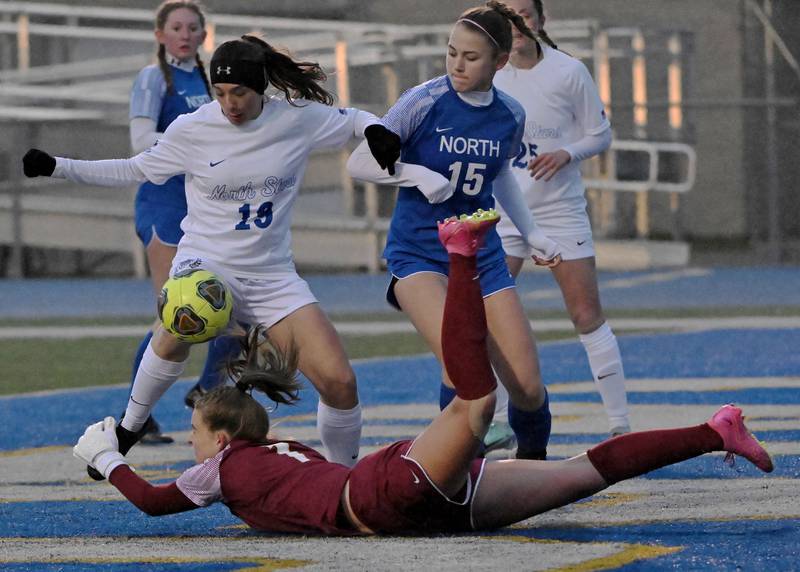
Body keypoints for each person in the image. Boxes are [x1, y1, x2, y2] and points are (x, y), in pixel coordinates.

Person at [72, 211, 774, 536]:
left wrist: (108, 457)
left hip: (388, 493)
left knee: (476, 398)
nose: (193, 445)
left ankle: (462, 254)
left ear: (223, 438)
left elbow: (155, 503)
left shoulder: (224, 469)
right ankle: (714, 431)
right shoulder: (283, 455)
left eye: (195, 432)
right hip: (420, 506)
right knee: (585, 474)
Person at [22, 35, 403, 472]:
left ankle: (342, 479)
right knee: (177, 322)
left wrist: (375, 129)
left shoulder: (296, 120)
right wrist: (57, 166)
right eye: (220, 93)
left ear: (260, 87)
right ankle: (130, 427)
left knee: (340, 382)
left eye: (239, 92)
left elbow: (353, 119)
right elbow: (135, 168)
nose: (230, 103)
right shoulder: (194, 127)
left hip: (270, 274)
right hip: (205, 265)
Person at [347, 1, 561, 460]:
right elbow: (360, 160)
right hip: (420, 255)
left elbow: (499, 173)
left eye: (471, 57)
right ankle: (461, 474)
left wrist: (532, 231)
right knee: (464, 371)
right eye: (451, 53)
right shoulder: (422, 101)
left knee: (527, 385)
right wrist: (418, 175)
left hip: (481, 255)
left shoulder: (509, 113)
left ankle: (534, 474)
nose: (457, 65)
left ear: (499, 62)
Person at [491, 0, 630, 437]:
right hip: (503, 213)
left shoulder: (568, 71)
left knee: (586, 312)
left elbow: (600, 133)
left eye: (524, 16)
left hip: (558, 210)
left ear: (540, 21)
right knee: (486, 314)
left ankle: (620, 426)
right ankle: (493, 424)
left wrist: (567, 153)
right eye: (507, 17)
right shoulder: (488, 74)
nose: (516, 26)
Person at [127, 0, 238, 444]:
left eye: (194, 27)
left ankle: (208, 390)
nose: (186, 34)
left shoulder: (213, 80)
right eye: (176, 27)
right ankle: (136, 415)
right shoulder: (153, 78)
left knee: (235, 308)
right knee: (175, 314)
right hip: (165, 205)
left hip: (208, 208)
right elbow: (140, 142)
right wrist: (196, 144)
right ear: (160, 35)